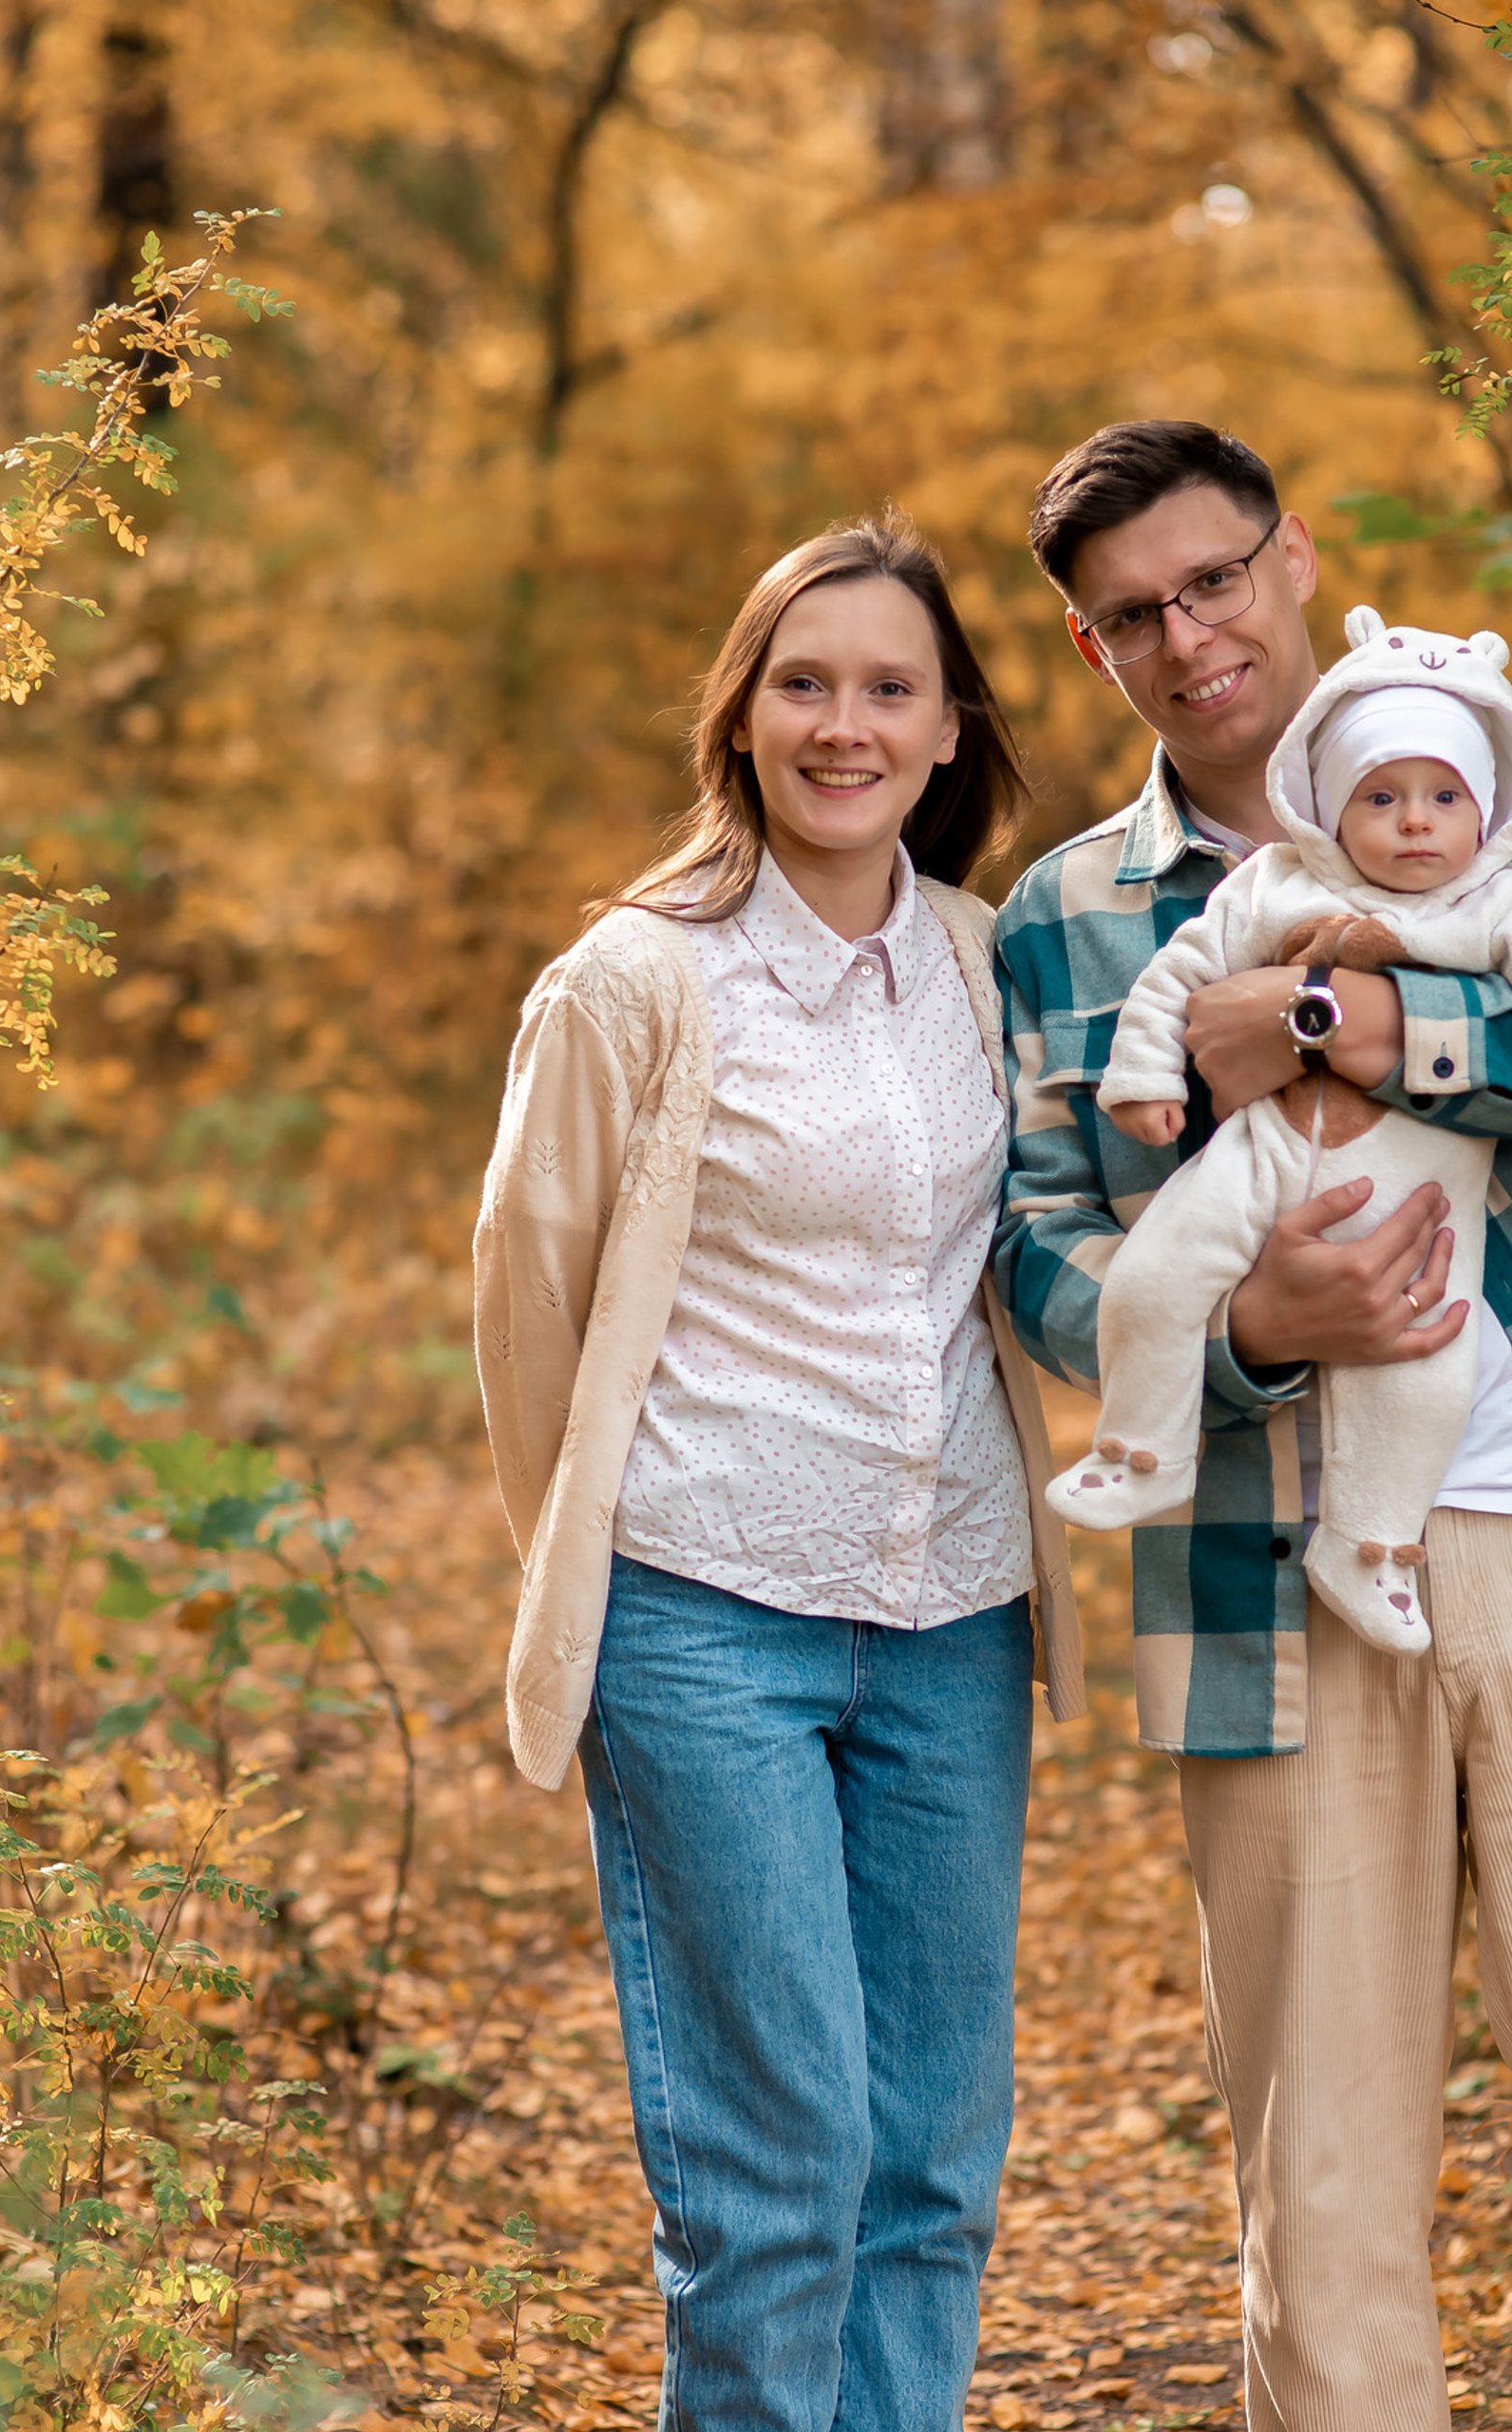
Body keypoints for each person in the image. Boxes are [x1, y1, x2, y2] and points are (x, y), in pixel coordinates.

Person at [992, 422, 1512, 2431]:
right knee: (1325, 2204)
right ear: (1092, 655)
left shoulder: (1501, 756)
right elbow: (1031, 1238)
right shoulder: (1068, 906)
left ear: (1287, 560)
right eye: (1130, 616)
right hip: (1265, 1581)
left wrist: (1323, 1027)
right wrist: (1248, 1326)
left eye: (1210, 579)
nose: (1185, 637)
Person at [474, 517, 1082, 2432]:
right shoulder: (632, 985)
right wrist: (595, 1570)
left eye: (886, 685)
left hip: (952, 1620)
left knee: (926, 2165)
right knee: (777, 2169)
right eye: (801, 681)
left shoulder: (993, 968)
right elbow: (527, 1304)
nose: (843, 721)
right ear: (739, 716)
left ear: (946, 724)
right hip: (702, 1616)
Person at [1049, 607, 1512, 1652]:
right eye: (1380, 799)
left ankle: (1368, 1546)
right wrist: (1141, 1076)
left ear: (1482, 814)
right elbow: (1178, 975)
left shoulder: (1506, 897)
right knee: (1155, 1275)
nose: (1413, 824)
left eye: (1444, 800)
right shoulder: (1277, 883)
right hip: (1255, 1160)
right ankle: (1139, 1447)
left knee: (1420, 1370)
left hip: (1414, 1192)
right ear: (1327, 810)